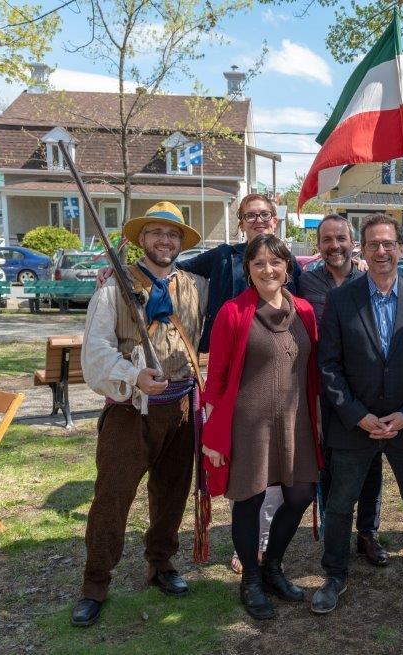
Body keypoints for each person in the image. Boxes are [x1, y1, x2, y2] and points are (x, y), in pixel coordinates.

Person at [72, 202, 208, 627]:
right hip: (130, 410)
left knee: (171, 494)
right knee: (112, 498)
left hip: (181, 408)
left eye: (173, 234)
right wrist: (133, 376)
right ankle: (95, 583)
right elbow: (95, 352)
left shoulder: (197, 286)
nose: (165, 240)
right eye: (156, 232)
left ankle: (161, 563)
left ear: (181, 242)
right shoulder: (113, 287)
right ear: (141, 239)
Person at [313, 213, 403, 618]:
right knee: (340, 505)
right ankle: (334, 576)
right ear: (363, 249)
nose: (382, 251)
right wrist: (357, 415)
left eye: (389, 243)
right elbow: (329, 365)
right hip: (356, 425)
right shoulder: (341, 300)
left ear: (401, 248)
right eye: (373, 244)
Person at [199, 234, 322, 620]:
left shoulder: (304, 311)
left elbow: (313, 372)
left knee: (300, 495)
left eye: (276, 262)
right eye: (259, 264)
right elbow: (216, 380)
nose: (268, 270)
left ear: (288, 267)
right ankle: (251, 580)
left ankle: (272, 566)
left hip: (297, 421)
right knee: (249, 500)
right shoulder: (233, 312)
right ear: (248, 270)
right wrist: (213, 436)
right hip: (248, 425)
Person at [178, 193, 302, 574]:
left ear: (275, 220)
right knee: (247, 469)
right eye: (251, 215)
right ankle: (250, 544)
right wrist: (121, 272)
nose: (259, 220)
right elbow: (173, 269)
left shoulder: (288, 260)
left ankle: (265, 544)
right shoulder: (222, 257)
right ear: (241, 222)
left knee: (280, 471)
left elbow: (308, 293)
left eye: (265, 214)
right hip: (234, 365)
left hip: (274, 368)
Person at [299, 214, 388, 567]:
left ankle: (368, 532)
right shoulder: (305, 282)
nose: (334, 245)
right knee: (328, 462)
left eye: (341, 238)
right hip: (320, 386)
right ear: (318, 245)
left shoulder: (369, 278)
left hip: (363, 388)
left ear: (353, 243)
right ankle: (333, 529)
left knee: (371, 463)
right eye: (327, 239)